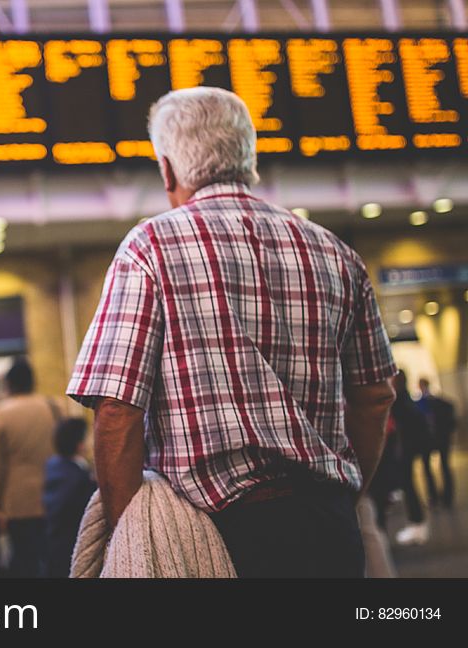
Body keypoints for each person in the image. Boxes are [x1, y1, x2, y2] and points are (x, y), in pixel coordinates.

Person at [67, 87, 397, 578]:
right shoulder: (335, 253)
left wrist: (131, 534)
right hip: (328, 528)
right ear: (250, 157)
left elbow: (116, 409)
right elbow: (375, 397)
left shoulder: (149, 247)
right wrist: (346, 497)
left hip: (210, 536)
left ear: (167, 169)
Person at [0, 358, 58, 577]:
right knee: (52, 559)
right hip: (52, 496)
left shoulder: (0, 414)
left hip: (17, 504)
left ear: (9, 384)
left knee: (25, 562)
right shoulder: (53, 407)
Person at [42, 418, 96, 578]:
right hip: (71, 547)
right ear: (79, 444)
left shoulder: (54, 466)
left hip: (54, 544)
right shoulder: (78, 477)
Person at [391, 372, 432, 546]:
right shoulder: (405, 399)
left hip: (405, 450)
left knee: (408, 485)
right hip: (410, 449)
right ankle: (417, 523)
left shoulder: (399, 402)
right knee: (409, 485)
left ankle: (417, 524)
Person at [416, 377, 457, 509]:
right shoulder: (440, 402)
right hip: (436, 439)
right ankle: (443, 497)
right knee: (439, 466)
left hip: (429, 439)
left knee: (435, 467)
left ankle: (438, 496)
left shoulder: (423, 404)